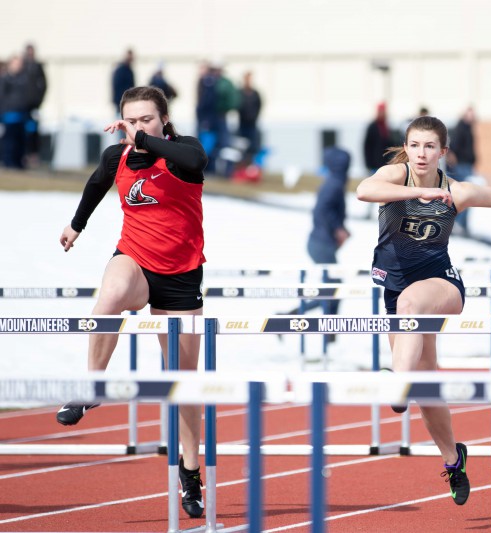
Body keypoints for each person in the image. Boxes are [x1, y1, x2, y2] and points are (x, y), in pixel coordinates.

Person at [355, 115, 491, 506]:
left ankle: (396, 381)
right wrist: (421, 197)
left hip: (442, 286)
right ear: (406, 146)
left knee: (412, 303)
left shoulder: (457, 190)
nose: (421, 153)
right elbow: (365, 191)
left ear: (442, 152)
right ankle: (454, 460)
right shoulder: (394, 175)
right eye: (415, 145)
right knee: (428, 385)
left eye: (429, 146)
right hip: (395, 292)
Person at [57, 86, 208, 520]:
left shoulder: (183, 151)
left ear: (163, 120)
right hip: (136, 260)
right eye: (131, 120)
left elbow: (198, 164)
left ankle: (190, 472)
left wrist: (144, 141)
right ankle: (92, 385)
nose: (137, 127)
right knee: (112, 293)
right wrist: (76, 225)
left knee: (182, 383)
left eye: (146, 120)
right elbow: (96, 184)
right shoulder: (116, 156)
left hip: (180, 277)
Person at [305, 139, 351, 325]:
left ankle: (329, 331)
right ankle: (288, 317)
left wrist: (340, 229)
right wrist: (337, 229)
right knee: (334, 289)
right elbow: (322, 210)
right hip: (321, 243)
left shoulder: (333, 181)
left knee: (332, 288)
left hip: (321, 241)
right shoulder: (335, 184)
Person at [446, 106, 477, 235]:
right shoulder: (460, 128)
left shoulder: (468, 128)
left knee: (468, 196)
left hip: (467, 165)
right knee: (463, 195)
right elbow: (453, 147)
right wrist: (453, 159)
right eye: (470, 114)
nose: (472, 116)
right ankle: (457, 224)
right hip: (461, 166)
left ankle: (461, 225)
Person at [1, 55, 30, 169]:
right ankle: (8, 162)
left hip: (22, 115)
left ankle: (18, 163)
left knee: (20, 141)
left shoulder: (23, 79)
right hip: (9, 116)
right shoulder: (5, 79)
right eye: (16, 63)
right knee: (9, 141)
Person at [21, 43, 47, 166]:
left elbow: (43, 84)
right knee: (22, 131)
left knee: (33, 131)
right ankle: (24, 154)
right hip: (21, 106)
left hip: (33, 105)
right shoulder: (22, 66)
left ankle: (33, 154)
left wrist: (39, 100)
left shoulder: (37, 66)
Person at [237, 71, 263, 158]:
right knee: (242, 147)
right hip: (242, 124)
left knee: (254, 147)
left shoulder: (255, 93)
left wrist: (254, 117)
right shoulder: (240, 93)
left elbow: (259, 106)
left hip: (252, 124)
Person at [362, 101, 392, 174]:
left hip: (385, 163)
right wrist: (368, 164)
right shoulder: (372, 126)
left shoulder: (386, 126)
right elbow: (367, 146)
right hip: (374, 164)